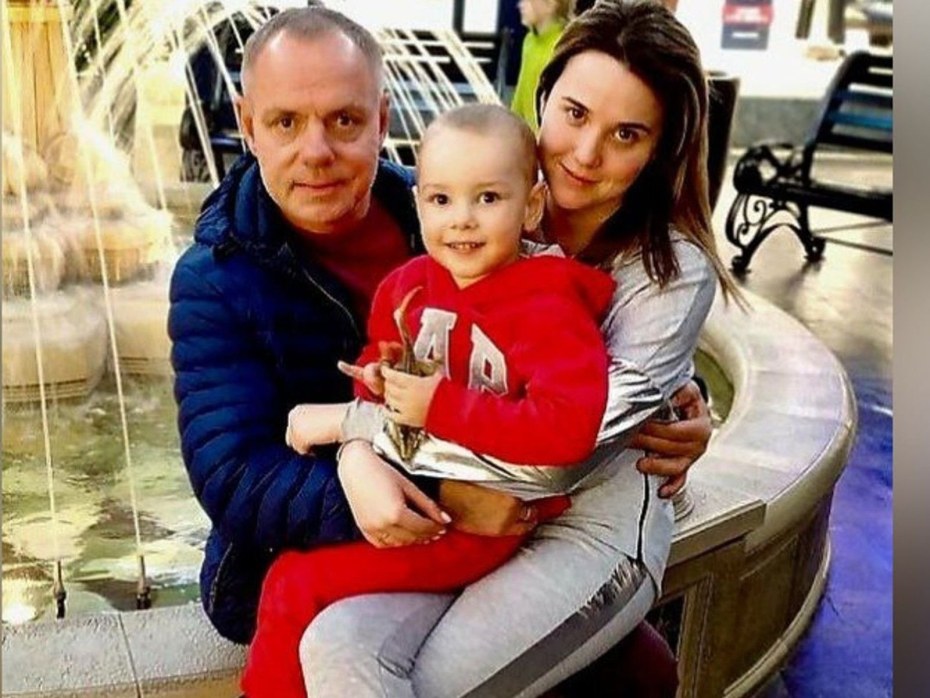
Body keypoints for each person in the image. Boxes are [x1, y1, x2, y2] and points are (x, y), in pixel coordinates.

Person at [168, 3, 710, 694]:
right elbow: (233, 474)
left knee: (625, 670)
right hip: (378, 528)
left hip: (532, 524)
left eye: (344, 120)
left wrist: (677, 397)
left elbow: (580, 408)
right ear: (247, 125)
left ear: (382, 120)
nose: (317, 152)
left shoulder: (445, 210)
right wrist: (376, 463)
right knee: (333, 643)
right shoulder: (219, 278)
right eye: (285, 123)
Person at [242, 103, 625, 698]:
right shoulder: (409, 286)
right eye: (442, 200)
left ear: (531, 206)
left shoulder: (548, 305)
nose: (462, 220)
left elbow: (571, 426)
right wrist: (376, 379)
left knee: (295, 585)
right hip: (420, 497)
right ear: (418, 203)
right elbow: (382, 365)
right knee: (288, 576)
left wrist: (437, 406)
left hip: (486, 525)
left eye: (488, 198)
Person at [511, 0, 574, 131]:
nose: (520, 5)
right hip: (526, 135)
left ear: (550, 4)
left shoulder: (564, 47)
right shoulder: (529, 41)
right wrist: (511, 123)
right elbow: (521, 92)